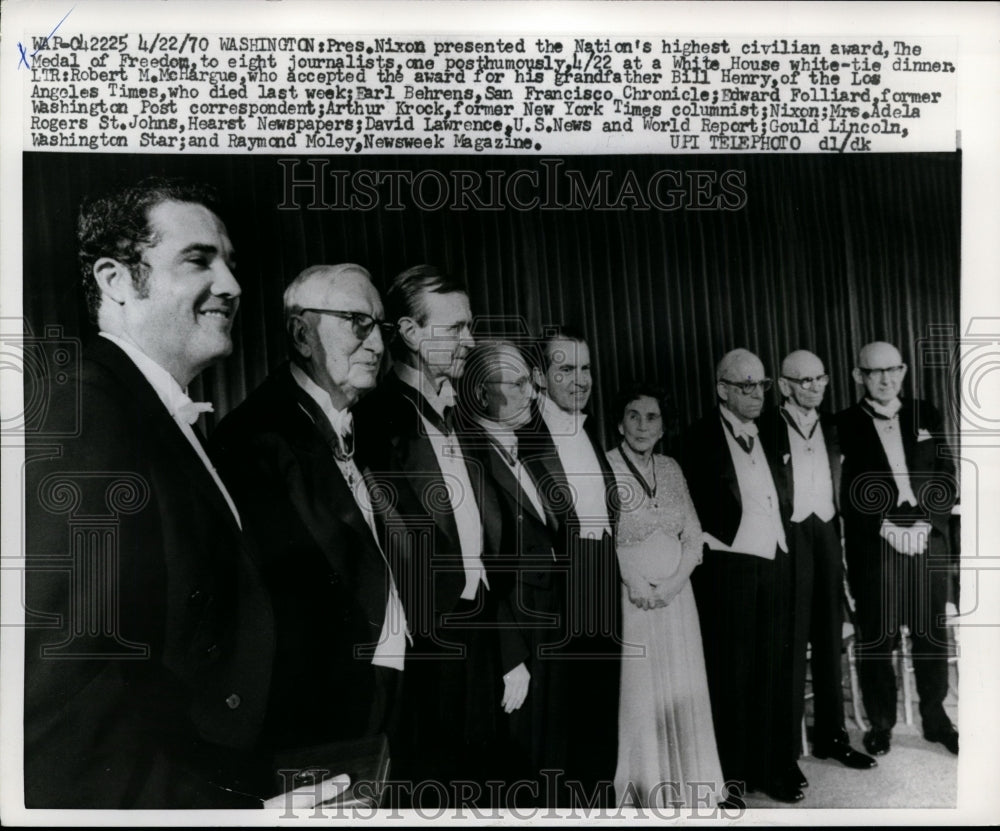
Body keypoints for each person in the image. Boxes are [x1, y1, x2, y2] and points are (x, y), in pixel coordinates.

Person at [23, 178, 275, 807]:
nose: (233, 286)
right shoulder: (86, 411)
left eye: (231, 263)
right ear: (115, 279)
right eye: (198, 259)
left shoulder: (149, 409)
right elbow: (66, 692)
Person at [210, 265, 408, 760]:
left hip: (383, 689)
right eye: (356, 322)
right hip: (322, 708)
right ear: (302, 333)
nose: (379, 347)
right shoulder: (255, 437)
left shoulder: (368, 425)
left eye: (380, 328)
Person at [353, 265, 502, 802]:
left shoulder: (460, 412)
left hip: (475, 621)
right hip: (424, 637)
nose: (472, 340)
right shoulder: (375, 417)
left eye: (472, 326)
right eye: (457, 328)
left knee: (478, 775)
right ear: (411, 334)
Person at [680, 348, 801, 803]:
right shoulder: (696, 439)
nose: (756, 394)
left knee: (775, 668)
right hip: (729, 565)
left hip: (776, 558)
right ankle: (730, 773)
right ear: (722, 389)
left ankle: (773, 766)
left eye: (762, 385)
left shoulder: (773, 429)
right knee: (732, 674)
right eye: (745, 385)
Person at [457, 341, 569, 806]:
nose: (533, 394)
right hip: (514, 633)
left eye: (533, 383)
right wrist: (509, 654)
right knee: (518, 766)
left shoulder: (526, 449)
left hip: (548, 623)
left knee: (548, 756)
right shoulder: (470, 457)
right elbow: (479, 561)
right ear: (483, 393)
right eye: (519, 383)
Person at [516, 327, 622, 806]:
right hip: (556, 589)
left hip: (601, 577)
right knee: (557, 720)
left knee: (600, 708)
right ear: (538, 376)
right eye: (566, 369)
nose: (580, 380)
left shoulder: (589, 426)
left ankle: (599, 807)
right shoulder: (522, 434)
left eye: (585, 369)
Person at [836, 341, 958, 757]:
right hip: (878, 542)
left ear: (904, 371)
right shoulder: (844, 423)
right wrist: (883, 527)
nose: (885, 379)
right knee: (878, 638)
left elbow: (946, 475)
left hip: (926, 538)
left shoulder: (927, 412)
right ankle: (882, 724)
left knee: (931, 635)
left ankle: (936, 719)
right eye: (874, 372)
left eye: (892, 370)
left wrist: (927, 523)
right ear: (859, 377)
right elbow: (845, 491)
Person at [608, 384, 725, 809]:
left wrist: (676, 581)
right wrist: (634, 581)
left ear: (663, 426)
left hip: (678, 599)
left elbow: (693, 534)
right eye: (633, 416)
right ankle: (644, 792)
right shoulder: (605, 468)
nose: (642, 425)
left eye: (652, 417)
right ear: (619, 423)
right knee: (640, 696)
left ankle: (690, 787)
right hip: (631, 599)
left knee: (682, 689)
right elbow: (600, 537)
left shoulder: (672, 468)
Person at [759, 350, 877, 773]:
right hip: (789, 539)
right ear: (785, 384)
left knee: (829, 643)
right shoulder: (764, 425)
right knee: (790, 646)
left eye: (819, 379)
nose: (812, 387)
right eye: (802, 381)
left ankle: (832, 737)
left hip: (827, 534)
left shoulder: (834, 425)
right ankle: (786, 751)